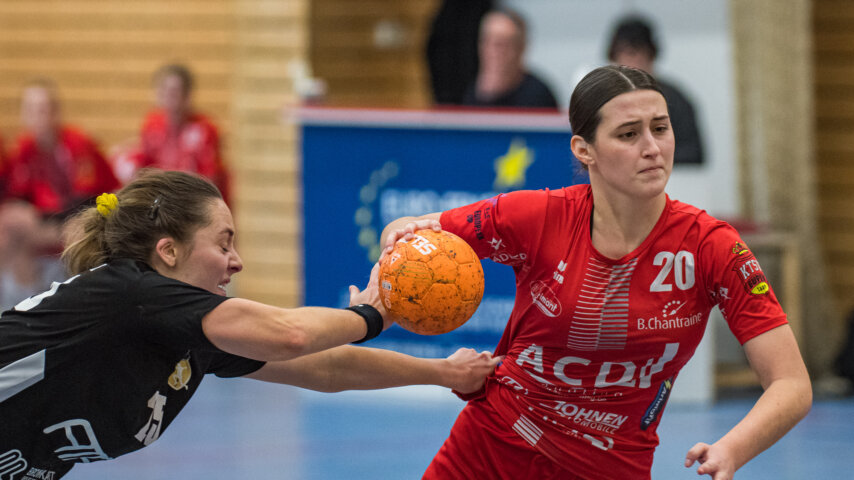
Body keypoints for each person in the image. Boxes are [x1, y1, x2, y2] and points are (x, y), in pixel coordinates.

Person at [381, 66, 811, 479]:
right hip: (491, 448)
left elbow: (791, 383)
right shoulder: (538, 216)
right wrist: (384, 279)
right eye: (629, 134)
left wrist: (733, 449)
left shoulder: (710, 246)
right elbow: (406, 230)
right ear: (584, 150)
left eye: (660, 128)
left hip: (610, 469)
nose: (652, 147)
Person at [0, 169, 501, 479]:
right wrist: (372, 313)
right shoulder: (131, 293)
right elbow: (290, 334)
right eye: (223, 243)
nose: (236, 261)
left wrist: (443, 373)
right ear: (168, 252)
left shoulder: (181, 332)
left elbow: (327, 368)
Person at [0, 78, 119, 310]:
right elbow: (17, 196)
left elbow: (84, 201)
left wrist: (40, 223)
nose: (39, 116)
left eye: (44, 109)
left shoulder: (77, 144)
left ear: (56, 111)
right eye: (31, 110)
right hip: (53, 223)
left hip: (93, 217)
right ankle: (20, 306)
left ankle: (70, 303)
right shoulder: (25, 149)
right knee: (8, 226)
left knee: (74, 228)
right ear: (24, 115)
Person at [112, 64, 230, 203]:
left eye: (174, 91)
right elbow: (144, 164)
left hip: (194, 202)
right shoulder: (152, 124)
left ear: (187, 95)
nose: (168, 96)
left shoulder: (204, 129)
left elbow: (210, 181)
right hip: (164, 200)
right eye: (163, 90)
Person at [607, 16, 705, 165]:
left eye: (638, 54)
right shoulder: (604, 102)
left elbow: (693, 153)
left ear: (651, 56)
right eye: (626, 55)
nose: (633, 63)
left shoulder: (675, 100)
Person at [460, 8, 558, 109]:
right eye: (487, 41)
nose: (493, 51)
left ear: (521, 48)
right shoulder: (469, 91)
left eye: (503, 44)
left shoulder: (538, 96)